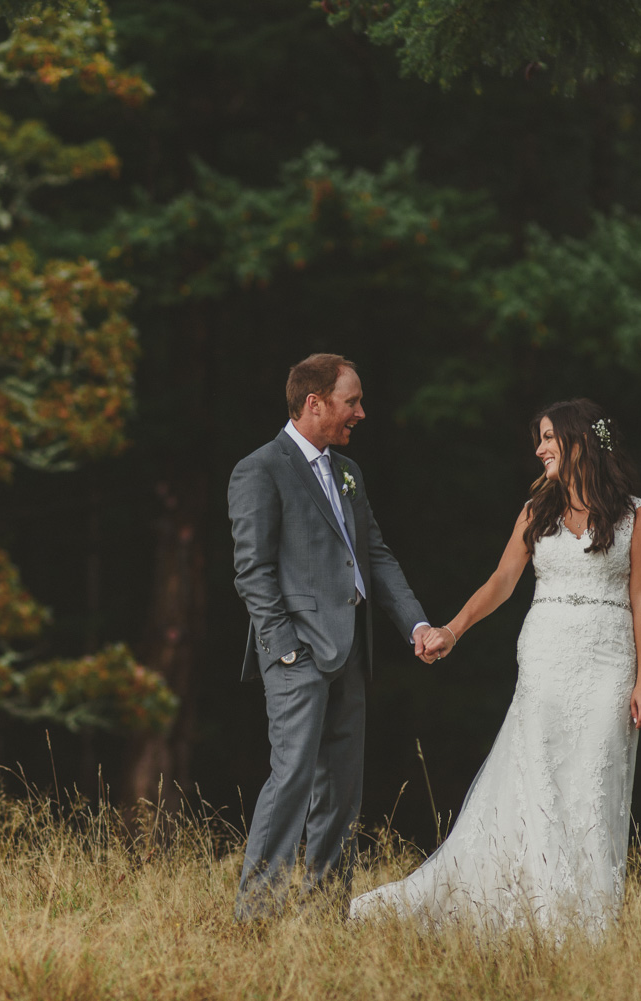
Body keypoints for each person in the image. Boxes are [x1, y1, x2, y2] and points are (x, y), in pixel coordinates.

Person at [349, 398, 641, 934]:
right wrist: (451, 629)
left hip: (610, 662)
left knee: (594, 778)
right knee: (539, 776)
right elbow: (501, 582)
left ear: (579, 439)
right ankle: (543, 910)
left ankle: (588, 920)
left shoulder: (636, 515)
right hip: (545, 653)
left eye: (547, 437)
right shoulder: (535, 512)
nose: (538, 448)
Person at [227, 353, 434, 921]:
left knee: (341, 794)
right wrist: (283, 645)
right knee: (291, 779)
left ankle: (323, 919)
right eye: (352, 402)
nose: (361, 413)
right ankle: (256, 917)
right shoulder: (260, 469)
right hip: (297, 655)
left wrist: (415, 623)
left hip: (352, 653)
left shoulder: (348, 471)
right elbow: (252, 570)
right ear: (314, 403)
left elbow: (374, 556)